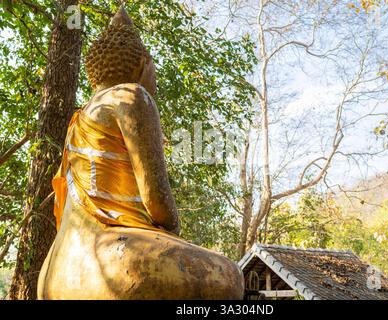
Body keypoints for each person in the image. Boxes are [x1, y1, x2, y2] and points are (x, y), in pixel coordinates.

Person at [37, 7, 244, 300]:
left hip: (54, 274)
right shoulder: (131, 95)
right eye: (153, 68)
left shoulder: (79, 118)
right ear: (142, 64)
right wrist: (171, 226)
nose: (154, 79)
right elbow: (156, 200)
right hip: (112, 262)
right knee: (228, 274)